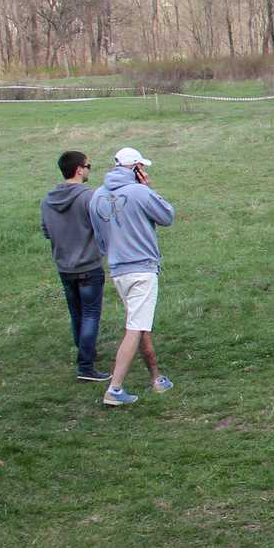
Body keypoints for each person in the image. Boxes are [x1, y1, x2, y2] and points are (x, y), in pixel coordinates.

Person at [90, 147, 177, 406]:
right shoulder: (140, 192)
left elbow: (99, 238)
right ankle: (115, 388)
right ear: (136, 168)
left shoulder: (96, 196)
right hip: (142, 269)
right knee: (135, 328)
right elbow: (167, 216)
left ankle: (157, 378)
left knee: (138, 326)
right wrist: (148, 188)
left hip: (118, 270)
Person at [42, 150, 111, 382]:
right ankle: (86, 367)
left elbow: (46, 231)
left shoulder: (48, 200)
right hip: (89, 266)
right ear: (79, 170)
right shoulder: (89, 198)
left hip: (64, 267)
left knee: (77, 313)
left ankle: (86, 352)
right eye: (89, 166)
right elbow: (104, 227)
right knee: (91, 314)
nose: (90, 169)